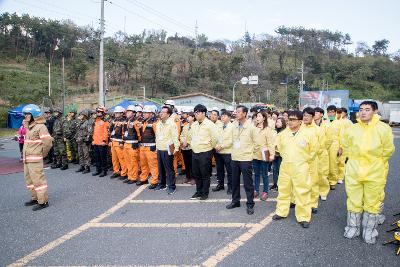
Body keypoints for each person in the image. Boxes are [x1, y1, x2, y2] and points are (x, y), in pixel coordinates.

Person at [342, 101, 394, 244]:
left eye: (367, 109)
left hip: (374, 171)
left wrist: (376, 163)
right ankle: (353, 227)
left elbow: (388, 149)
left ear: (375, 111)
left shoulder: (383, 128)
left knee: (372, 202)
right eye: (361, 109)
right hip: (354, 171)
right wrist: (353, 161)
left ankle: (369, 230)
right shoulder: (353, 129)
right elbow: (345, 145)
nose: (363, 112)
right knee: (353, 200)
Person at [272, 110, 317, 228]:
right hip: (286, 166)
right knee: (283, 190)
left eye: (293, 120)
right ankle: (281, 211)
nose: (289, 122)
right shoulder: (282, 134)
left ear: (300, 121)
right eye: (289, 119)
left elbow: (313, 151)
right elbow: (279, 149)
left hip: (301, 167)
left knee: (302, 192)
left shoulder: (309, 133)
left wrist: (303, 161)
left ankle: (303, 217)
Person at [226, 105, 258, 215]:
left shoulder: (251, 127)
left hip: (246, 159)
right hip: (234, 157)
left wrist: (250, 153)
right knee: (234, 181)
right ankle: (235, 201)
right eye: (236, 111)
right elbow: (230, 140)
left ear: (244, 114)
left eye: (239, 112)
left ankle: (250, 204)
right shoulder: (234, 125)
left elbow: (257, 143)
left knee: (248, 183)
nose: (236, 113)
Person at [21, 104, 53, 211]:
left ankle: (43, 201)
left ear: (33, 115)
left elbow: (48, 143)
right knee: (29, 181)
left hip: (35, 160)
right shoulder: (28, 127)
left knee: (38, 181)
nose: (25, 116)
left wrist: (42, 154)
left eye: (26, 114)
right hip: (27, 159)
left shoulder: (41, 127)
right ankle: (35, 198)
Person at [187, 104, 218, 200]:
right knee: (196, 174)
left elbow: (214, 139)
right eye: (195, 112)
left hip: (205, 153)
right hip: (195, 152)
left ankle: (205, 193)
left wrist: (209, 148)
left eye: (198, 112)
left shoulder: (210, 124)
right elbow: (191, 136)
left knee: (205, 174)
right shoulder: (195, 124)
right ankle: (198, 191)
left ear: (204, 113)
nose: (196, 114)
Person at [301, 107, 322, 214]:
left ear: (313, 117)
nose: (305, 117)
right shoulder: (299, 128)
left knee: (313, 182)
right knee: (300, 181)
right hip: (300, 160)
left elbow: (322, 145)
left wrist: (312, 156)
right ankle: (297, 200)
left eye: (307, 115)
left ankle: (313, 203)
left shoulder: (317, 130)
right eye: (304, 115)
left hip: (313, 160)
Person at [155, 106, 180, 194]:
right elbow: (157, 137)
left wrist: (176, 148)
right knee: (160, 168)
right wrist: (157, 148)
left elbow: (175, 137)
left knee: (169, 169)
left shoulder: (172, 124)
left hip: (168, 149)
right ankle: (161, 184)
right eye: (160, 112)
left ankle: (171, 186)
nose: (161, 113)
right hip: (160, 149)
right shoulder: (158, 124)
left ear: (168, 114)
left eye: (163, 112)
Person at [252, 111, 276, 201]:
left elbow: (270, 143)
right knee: (256, 174)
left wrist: (272, 154)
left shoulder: (267, 129)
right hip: (255, 155)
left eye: (259, 116)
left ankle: (265, 191)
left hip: (264, 155)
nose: (257, 118)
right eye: (256, 116)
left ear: (264, 118)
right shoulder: (254, 128)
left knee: (265, 174)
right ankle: (256, 190)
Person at [138, 105, 159, 187]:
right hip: (143, 146)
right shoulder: (144, 122)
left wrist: (156, 146)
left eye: (146, 113)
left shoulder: (155, 123)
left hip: (151, 146)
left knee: (153, 165)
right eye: (144, 113)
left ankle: (154, 181)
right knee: (143, 164)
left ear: (151, 114)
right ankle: (144, 179)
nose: (144, 114)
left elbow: (158, 135)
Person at [213, 110, 233, 194]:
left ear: (229, 117)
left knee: (230, 171)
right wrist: (216, 146)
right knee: (219, 170)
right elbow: (216, 138)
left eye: (224, 116)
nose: (222, 117)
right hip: (218, 152)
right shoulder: (219, 126)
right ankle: (220, 185)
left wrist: (222, 146)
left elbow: (232, 140)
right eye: (222, 116)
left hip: (228, 152)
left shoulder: (232, 127)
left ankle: (231, 187)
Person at [314, 107, 331, 201]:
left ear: (321, 114)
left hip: (322, 152)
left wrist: (323, 149)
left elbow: (329, 139)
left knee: (323, 173)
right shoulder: (309, 125)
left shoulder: (327, 125)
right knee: (313, 174)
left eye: (316, 113)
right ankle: (314, 191)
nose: (315, 114)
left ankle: (323, 192)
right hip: (312, 153)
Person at [109, 106, 128, 180]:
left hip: (119, 142)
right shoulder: (114, 120)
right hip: (113, 141)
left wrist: (122, 142)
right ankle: (116, 171)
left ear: (121, 113)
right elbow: (111, 131)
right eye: (115, 112)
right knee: (114, 159)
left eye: (118, 113)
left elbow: (125, 132)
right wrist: (110, 141)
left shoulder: (124, 121)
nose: (116, 114)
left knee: (122, 159)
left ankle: (124, 173)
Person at [326, 105, 341, 190]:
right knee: (325, 163)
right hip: (325, 145)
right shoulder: (325, 123)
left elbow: (342, 136)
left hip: (335, 145)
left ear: (335, 113)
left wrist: (341, 147)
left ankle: (333, 181)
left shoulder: (339, 123)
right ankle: (326, 179)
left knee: (333, 164)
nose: (330, 114)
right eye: (329, 112)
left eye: (332, 112)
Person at [92, 106, 110, 177]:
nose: (97, 113)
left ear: (103, 113)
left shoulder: (105, 121)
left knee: (103, 158)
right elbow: (94, 132)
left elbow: (106, 132)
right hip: (96, 142)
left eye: (99, 112)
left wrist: (104, 141)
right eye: (97, 112)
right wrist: (93, 140)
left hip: (102, 143)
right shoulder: (96, 121)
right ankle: (98, 170)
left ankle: (104, 171)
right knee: (97, 157)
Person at [337, 107, 353, 184]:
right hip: (337, 143)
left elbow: (351, 134)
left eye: (341, 113)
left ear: (345, 113)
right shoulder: (336, 121)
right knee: (336, 161)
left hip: (345, 144)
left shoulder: (348, 122)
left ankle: (340, 177)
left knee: (342, 161)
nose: (340, 114)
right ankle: (336, 176)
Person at [270, 117, 286, 191]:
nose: (277, 123)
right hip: (274, 153)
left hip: (281, 154)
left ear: (283, 123)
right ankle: (275, 184)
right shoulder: (274, 131)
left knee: (280, 170)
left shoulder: (285, 132)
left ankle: (280, 185)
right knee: (274, 170)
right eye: (277, 122)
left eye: (279, 122)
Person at [180, 108, 195, 185]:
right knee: (186, 163)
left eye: (189, 116)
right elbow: (182, 135)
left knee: (192, 164)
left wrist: (188, 142)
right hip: (184, 147)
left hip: (191, 148)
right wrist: (183, 142)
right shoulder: (185, 126)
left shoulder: (196, 126)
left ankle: (193, 178)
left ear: (193, 117)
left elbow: (195, 137)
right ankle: (188, 176)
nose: (188, 118)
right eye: (187, 116)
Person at [75, 109, 92, 174]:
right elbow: (77, 130)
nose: (80, 116)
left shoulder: (88, 122)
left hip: (85, 141)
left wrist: (87, 140)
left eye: (81, 114)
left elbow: (90, 132)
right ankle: (82, 166)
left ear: (85, 115)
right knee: (80, 154)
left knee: (86, 155)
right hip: (79, 140)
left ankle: (87, 167)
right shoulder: (79, 122)